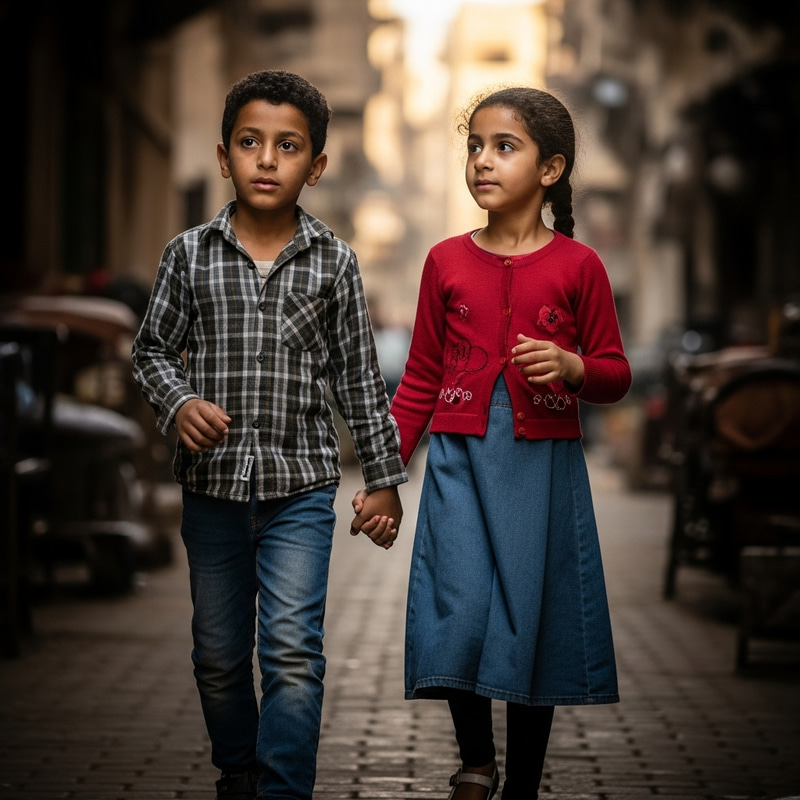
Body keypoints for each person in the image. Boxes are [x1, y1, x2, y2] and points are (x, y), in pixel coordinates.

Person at [132, 69, 406, 800]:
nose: (266, 159)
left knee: (291, 653)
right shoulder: (187, 255)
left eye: (287, 147)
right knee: (218, 657)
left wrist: (382, 480)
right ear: (224, 155)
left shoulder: (336, 262)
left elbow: (357, 379)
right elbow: (151, 350)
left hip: (301, 493)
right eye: (250, 142)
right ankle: (237, 771)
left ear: (314, 166)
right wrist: (179, 401)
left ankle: (283, 791)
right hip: (212, 491)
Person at [355, 86, 632, 799]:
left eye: (503, 146)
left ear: (550, 169)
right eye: (474, 145)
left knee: (530, 620)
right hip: (457, 459)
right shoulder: (445, 261)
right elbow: (418, 378)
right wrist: (386, 475)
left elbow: (615, 373)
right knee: (457, 607)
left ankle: (524, 788)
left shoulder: (580, 266)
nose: (481, 160)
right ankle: (476, 759)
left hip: (542, 467)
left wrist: (573, 368)